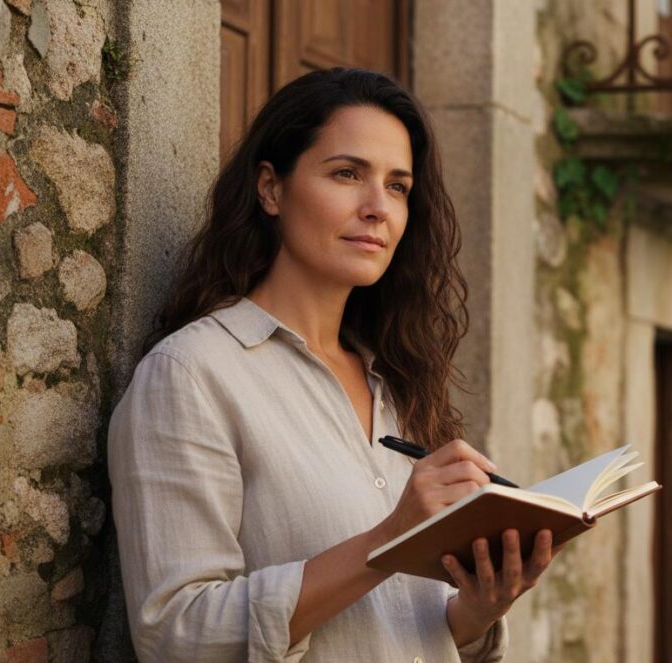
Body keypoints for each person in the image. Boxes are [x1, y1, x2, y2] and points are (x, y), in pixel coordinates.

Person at [108, 67, 559, 662]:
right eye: (348, 174)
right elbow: (175, 634)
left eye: (398, 186)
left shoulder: (398, 383)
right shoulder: (192, 376)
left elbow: (386, 633)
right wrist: (389, 539)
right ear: (271, 189)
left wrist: (476, 613)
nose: (378, 208)